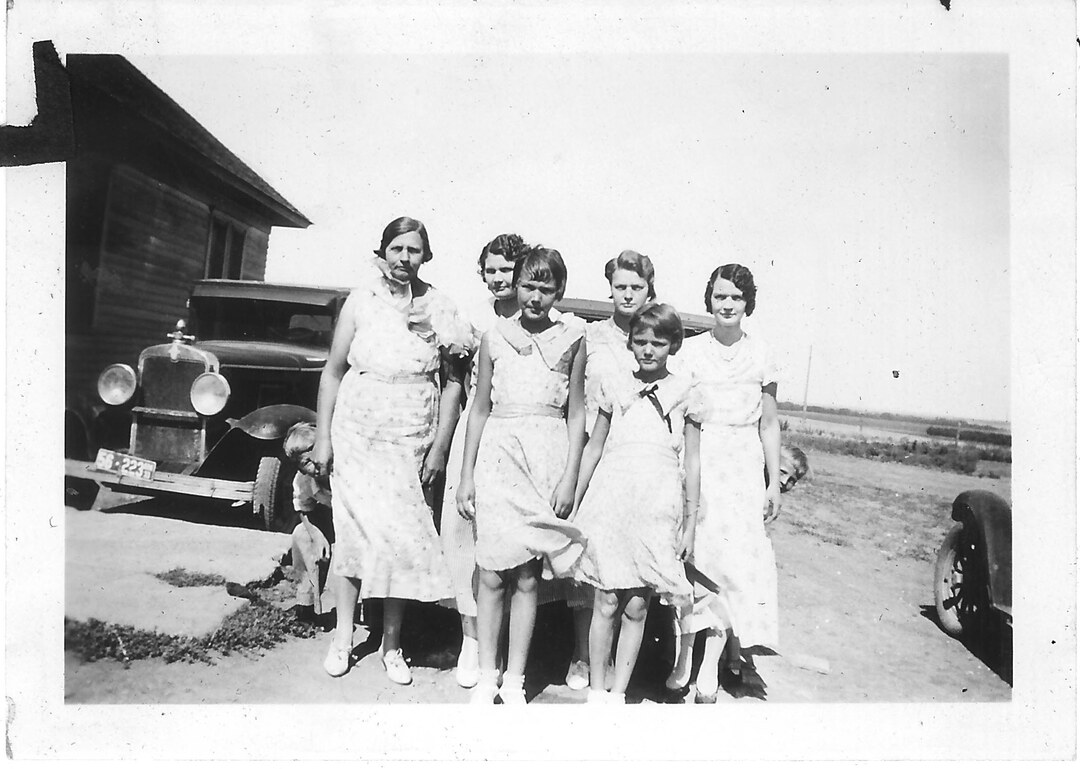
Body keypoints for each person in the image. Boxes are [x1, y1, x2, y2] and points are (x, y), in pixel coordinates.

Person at [312, 216, 471, 683]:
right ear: (382, 252)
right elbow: (333, 372)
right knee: (354, 533)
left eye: (414, 250)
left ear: (426, 256)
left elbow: (455, 383)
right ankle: (343, 637)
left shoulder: (441, 307)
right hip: (358, 431)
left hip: (411, 435)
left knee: (401, 538)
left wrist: (440, 446)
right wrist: (323, 437)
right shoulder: (361, 301)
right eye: (397, 248)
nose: (405, 258)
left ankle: (392, 644)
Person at [457, 246, 588, 705]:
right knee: (491, 572)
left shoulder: (573, 337)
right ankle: (487, 674)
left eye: (546, 288)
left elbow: (576, 413)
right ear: (516, 286)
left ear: (559, 291)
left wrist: (569, 476)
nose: (535, 296)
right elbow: (479, 408)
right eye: (528, 286)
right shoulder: (494, 336)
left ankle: (515, 679)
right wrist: (467, 476)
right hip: (498, 455)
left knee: (529, 575)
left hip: (545, 459)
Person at [568, 303, 700, 704]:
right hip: (613, 497)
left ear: (673, 345)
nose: (648, 350)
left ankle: (617, 694)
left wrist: (690, 523)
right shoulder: (615, 382)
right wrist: (576, 502)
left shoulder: (687, 391)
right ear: (630, 343)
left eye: (658, 343)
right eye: (640, 341)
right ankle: (596, 692)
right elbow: (595, 446)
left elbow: (691, 460)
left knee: (637, 605)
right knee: (606, 598)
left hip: (655, 502)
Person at [668, 263, 781, 704]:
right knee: (694, 559)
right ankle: (684, 655)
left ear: (747, 302)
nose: (727, 304)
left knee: (732, 564)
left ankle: (711, 664)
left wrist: (772, 482)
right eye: (720, 297)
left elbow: (769, 423)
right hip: (699, 457)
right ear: (709, 301)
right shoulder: (691, 353)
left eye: (735, 297)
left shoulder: (763, 353)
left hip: (743, 465)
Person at [439, 232, 532, 689]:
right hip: (475, 432)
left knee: (512, 543)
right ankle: (470, 638)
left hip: (518, 436)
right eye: (491, 270)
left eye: (508, 271)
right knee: (463, 532)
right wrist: (444, 446)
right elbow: (457, 385)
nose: (499, 279)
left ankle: (510, 648)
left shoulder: (536, 318)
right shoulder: (471, 320)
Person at [563, 249, 657, 691]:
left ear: (649, 290)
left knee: (631, 569)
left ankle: (621, 670)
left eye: (636, 287)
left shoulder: (654, 336)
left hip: (639, 463)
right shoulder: (591, 335)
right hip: (595, 454)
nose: (627, 294)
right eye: (620, 286)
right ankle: (581, 657)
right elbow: (576, 397)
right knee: (592, 559)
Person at [283, 421, 335, 626]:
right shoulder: (304, 479)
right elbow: (303, 509)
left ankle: (372, 610)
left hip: (358, 521)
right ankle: (307, 605)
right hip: (328, 519)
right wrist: (317, 534)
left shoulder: (343, 469)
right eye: (304, 464)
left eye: (312, 460)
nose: (312, 468)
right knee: (301, 535)